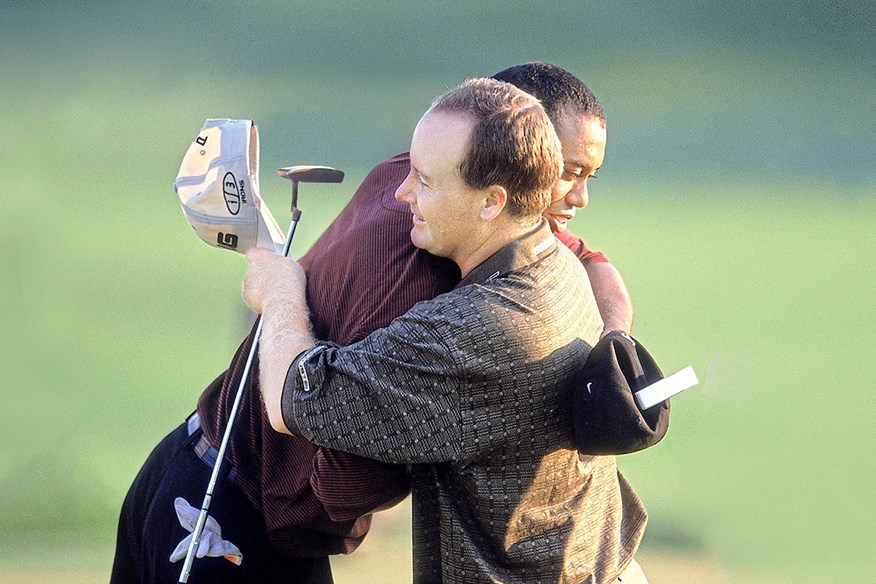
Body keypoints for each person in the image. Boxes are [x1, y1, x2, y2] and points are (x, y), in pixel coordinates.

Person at [111, 63, 637, 583]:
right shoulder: (434, 248)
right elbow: (314, 431)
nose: (404, 190)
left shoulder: (479, 226)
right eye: (566, 171)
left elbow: (589, 264)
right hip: (220, 508)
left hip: (239, 502)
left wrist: (611, 347)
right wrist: (282, 294)